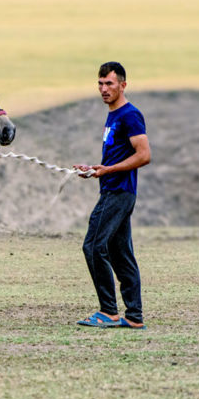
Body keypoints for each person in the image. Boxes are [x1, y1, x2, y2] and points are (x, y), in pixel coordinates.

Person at [73, 62, 151, 329]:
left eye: (109, 83)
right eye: (100, 83)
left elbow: (144, 155)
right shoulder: (114, 115)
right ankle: (134, 316)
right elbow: (119, 156)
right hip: (115, 188)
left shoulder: (130, 115)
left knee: (93, 246)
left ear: (123, 85)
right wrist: (96, 168)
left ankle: (108, 311)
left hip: (118, 193)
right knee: (120, 254)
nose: (104, 89)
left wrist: (108, 171)